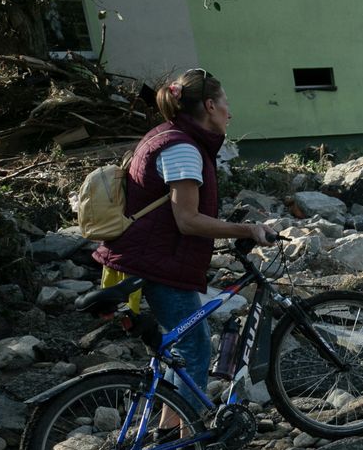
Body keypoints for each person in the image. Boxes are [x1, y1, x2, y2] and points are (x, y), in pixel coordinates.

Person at [94, 68, 272, 420]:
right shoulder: (182, 149)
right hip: (157, 262)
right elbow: (187, 221)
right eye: (225, 104)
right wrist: (246, 230)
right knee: (193, 347)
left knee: (181, 347)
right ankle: (188, 442)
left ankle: (168, 430)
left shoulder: (167, 135)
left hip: (148, 255)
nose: (230, 112)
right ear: (209, 105)